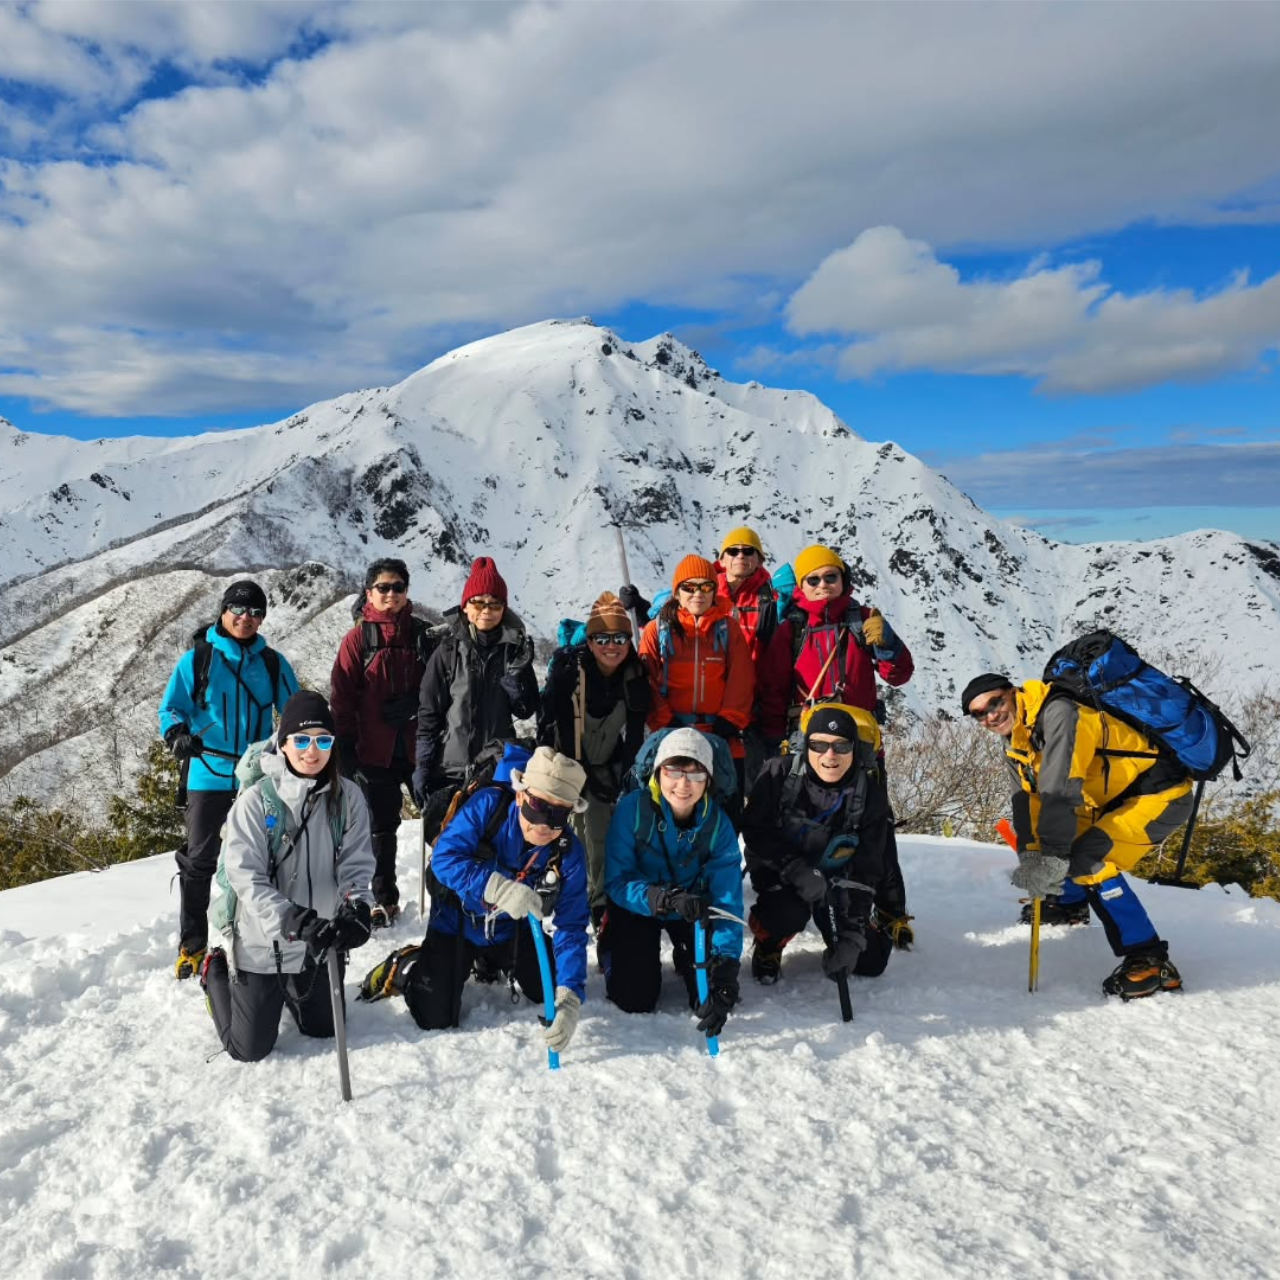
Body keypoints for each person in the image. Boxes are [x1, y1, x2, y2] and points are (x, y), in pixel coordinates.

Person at [962, 672, 1194, 999]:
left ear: (1012, 692)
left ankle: (1150, 959)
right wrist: (1030, 855)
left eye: (994, 703)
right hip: (1104, 799)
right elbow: (1025, 801)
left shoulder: (1060, 714)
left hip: (1158, 795)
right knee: (1054, 841)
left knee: (1087, 860)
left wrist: (1054, 860)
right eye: (979, 714)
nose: (989, 716)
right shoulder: (1015, 738)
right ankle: (1069, 904)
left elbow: (1059, 792)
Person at [370, 747, 588, 1055]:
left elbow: (572, 924)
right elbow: (444, 860)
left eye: (558, 814)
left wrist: (569, 997)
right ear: (521, 794)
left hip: (515, 928)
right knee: (435, 1017)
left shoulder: (568, 851)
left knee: (549, 989)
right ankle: (409, 962)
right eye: (538, 806)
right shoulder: (489, 807)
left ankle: (489, 960)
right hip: (457, 920)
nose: (544, 823)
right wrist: (495, 886)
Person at [200, 691, 374, 1062]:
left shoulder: (348, 798)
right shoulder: (256, 802)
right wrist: (291, 919)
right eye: (302, 740)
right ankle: (215, 971)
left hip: (318, 938)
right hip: (265, 941)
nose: (313, 751)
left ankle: (293, 990)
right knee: (247, 1049)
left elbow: (356, 865)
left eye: (323, 740)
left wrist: (357, 906)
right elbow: (246, 876)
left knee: (324, 1028)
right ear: (283, 743)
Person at [758, 545, 915, 947]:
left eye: (831, 577)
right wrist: (779, 739)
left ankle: (890, 911)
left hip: (860, 745)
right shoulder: (790, 630)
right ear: (802, 586)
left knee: (876, 825)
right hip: (810, 747)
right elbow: (775, 689)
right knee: (803, 824)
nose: (823, 585)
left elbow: (898, 674)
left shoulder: (863, 621)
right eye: (814, 579)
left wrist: (888, 644)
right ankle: (793, 912)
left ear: (844, 579)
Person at [158, 579, 300, 979]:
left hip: (256, 775)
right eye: (239, 609)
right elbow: (171, 708)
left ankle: (259, 935)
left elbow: (295, 711)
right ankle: (192, 944)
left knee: (264, 859)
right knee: (199, 860)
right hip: (208, 773)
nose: (246, 618)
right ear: (223, 611)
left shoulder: (272, 662)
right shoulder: (198, 660)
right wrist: (176, 734)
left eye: (256, 612)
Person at [601, 728, 743, 1039]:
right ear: (658, 772)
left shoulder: (718, 824)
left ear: (708, 779)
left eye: (695, 774)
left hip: (692, 911)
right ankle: (612, 940)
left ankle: (686, 952)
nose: (683, 784)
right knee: (634, 999)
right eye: (674, 771)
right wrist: (660, 898)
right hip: (638, 905)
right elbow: (616, 880)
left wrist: (726, 969)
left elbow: (727, 899)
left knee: (708, 996)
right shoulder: (632, 810)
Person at [742, 703, 894, 985]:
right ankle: (768, 944)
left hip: (838, 880)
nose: (830, 755)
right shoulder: (779, 774)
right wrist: (794, 868)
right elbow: (755, 829)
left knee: (870, 960)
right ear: (806, 746)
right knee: (785, 913)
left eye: (841, 746)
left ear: (855, 750)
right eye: (819, 745)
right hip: (781, 872)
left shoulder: (869, 792)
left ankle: (840, 932)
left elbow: (869, 864)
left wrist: (854, 931)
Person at [331, 558, 436, 927]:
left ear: (408, 592)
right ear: (368, 593)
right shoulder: (358, 639)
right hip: (372, 749)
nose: (391, 594)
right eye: (383, 587)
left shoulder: (424, 635)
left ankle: (449, 893)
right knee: (380, 827)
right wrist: (344, 747)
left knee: (440, 820)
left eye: (398, 587)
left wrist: (417, 705)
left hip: (419, 747)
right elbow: (341, 695)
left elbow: (444, 687)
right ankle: (382, 898)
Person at [537, 591, 651, 927]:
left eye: (620, 638)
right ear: (589, 640)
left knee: (600, 833)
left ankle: (598, 902)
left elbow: (634, 731)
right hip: (567, 762)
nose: (611, 645)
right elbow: (551, 723)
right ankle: (568, 893)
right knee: (566, 832)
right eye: (602, 638)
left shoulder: (634, 675)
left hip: (606, 764)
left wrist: (623, 776)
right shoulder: (569, 671)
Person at [412, 556, 538, 836]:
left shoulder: (514, 651)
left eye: (495, 604)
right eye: (478, 602)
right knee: (446, 851)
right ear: (466, 606)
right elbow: (429, 712)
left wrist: (515, 677)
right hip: (449, 770)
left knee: (491, 847)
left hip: (497, 769)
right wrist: (422, 765)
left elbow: (525, 709)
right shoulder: (447, 652)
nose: (486, 611)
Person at [638, 554, 754, 824]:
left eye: (706, 586)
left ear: (715, 590)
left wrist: (730, 719)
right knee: (673, 816)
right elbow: (647, 679)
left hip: (723, 739)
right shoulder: (657, 631)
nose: (698, 594)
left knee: (726, 819)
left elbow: (742, 677)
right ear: (677, 592)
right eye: (689, 587)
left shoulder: (729, 629)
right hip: (672, 737)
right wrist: (665, 720)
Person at [714, 526, 779, 789]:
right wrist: (644, 611)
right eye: (734, 550)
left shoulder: (772, 598)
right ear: (722, 559)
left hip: (755, 707)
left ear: (759, 559)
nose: (741, 555)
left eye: (748, 550)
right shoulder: (705, 593)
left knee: (753, 787)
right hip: (711, 704)